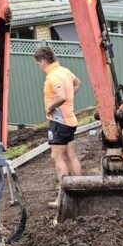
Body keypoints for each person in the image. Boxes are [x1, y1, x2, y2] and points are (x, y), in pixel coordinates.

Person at [33, 45, 82, 205]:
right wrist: (69, 97)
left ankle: (63, 198)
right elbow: (77, 83)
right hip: (70, 120)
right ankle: (82, 190)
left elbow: (60, 96)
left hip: (59, 122)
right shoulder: (64, 71)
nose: (39, 66)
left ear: (43, 61)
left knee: (57, 158)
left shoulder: (52, 77)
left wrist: (50, 107)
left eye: (38, 63)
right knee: (71, 155)